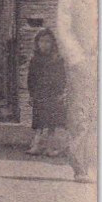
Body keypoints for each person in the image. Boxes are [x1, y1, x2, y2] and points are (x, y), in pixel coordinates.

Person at [57, 0, 96, 182]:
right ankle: (81, 167)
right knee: (81, 113)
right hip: (81, 62)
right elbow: (64, 32)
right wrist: (78, 60)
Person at [26, 28, 67, 157]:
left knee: (52, 122)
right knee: (38, 120)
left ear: (52, 44)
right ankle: (36, 145)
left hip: (53, 94)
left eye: (48, 42)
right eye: (41, 41)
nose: (44, 44)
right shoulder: (35, 60)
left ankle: (50, 147)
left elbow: (62, 77)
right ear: (37, 43)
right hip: (39, 92)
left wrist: (61, 93)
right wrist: (31, 94)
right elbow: (31, 78)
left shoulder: (57, 60)